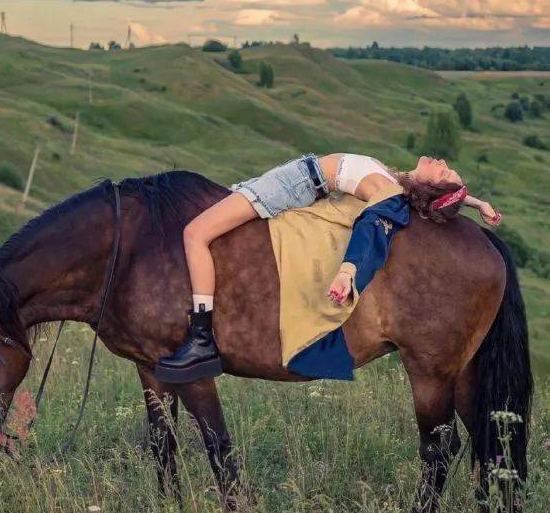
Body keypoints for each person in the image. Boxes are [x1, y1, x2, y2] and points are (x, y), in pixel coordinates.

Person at [153, 153, 502, 383]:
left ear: (430, 184)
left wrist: (347, 271)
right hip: (294, 179)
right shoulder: (398, 181)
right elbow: (433, 197)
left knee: (195, 233)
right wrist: (477, 202)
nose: (440, 160)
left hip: (288, 185)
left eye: (442, 170)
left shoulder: (386, 191)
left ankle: (200, 338)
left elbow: (372, 227)